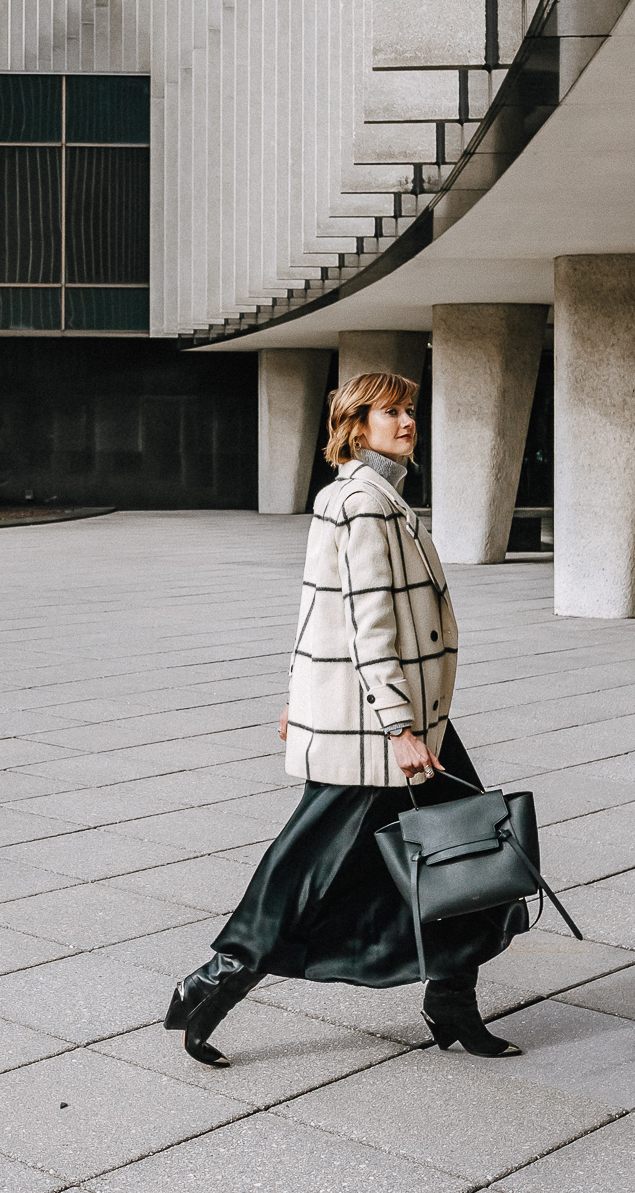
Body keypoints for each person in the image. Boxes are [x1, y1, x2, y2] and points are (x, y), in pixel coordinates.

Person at [165, 368, 526, 1068]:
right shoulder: (360, 502)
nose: (406, 421)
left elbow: (319, 613)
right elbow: (366, 622)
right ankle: (213, 984)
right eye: (390, 412)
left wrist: (302, 698)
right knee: (311, 866)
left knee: (469, 853)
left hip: (397, 720)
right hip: (383, 731)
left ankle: (451, 1001)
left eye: (410, 409)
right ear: (356, 427)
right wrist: (398, 727)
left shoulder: (380, 499)